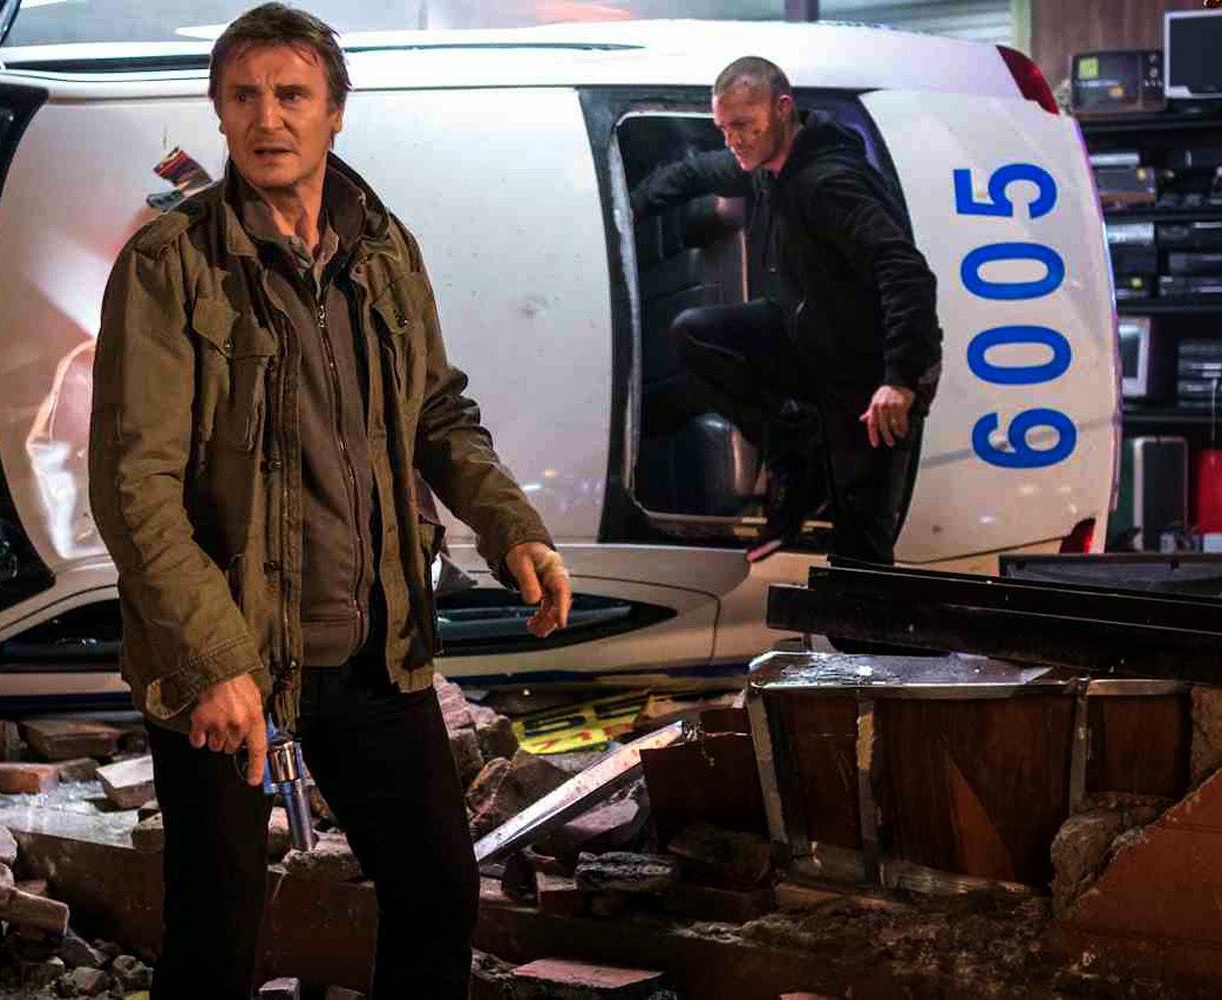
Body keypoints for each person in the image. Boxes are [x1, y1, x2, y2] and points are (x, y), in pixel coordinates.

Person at [87, 6, 572, 997]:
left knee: (437, 891)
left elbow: (438, 413)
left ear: (335, 112)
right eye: (244, 96)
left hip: (371, 642)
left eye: (291, 95)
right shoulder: (170, 265)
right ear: (219, 113)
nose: (267, 117)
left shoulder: (384, 252)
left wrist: (511, 527)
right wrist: (212, 660)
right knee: (217, 929)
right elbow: (135, 485)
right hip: (230, 650)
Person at [631, 56, 943, 564]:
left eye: (744, 126)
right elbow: (692, 172)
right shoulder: (763, 168)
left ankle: (858, 597)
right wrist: (627, 209)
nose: (734, 140)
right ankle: (792, 452)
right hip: (812, 340)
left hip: (867, 378)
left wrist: (901, 380)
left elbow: (905, 271)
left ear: (782, 109)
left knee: (860, 550)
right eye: (724, 128)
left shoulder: (829, 182)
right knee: (695, 333)